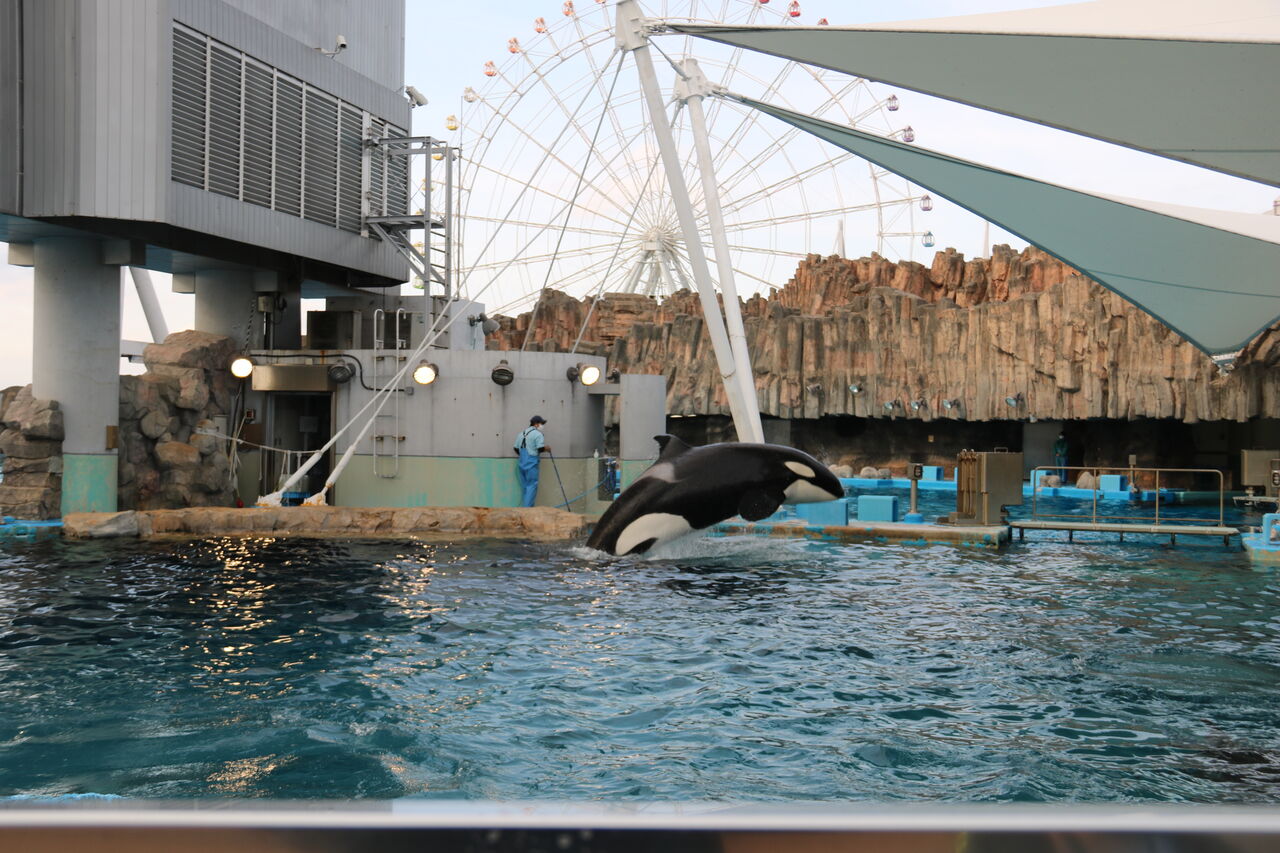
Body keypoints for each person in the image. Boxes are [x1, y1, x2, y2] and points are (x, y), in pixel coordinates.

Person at [513, 415, 550, 507]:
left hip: (522, 463)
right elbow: (540, 448)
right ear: (536, 424)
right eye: (541, 423)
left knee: (525, 487)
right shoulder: (538, 434)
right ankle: (528, 510)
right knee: (532, 486)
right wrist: (547, 448)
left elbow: (515, 448)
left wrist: (523, 456)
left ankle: (525, 509)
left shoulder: (521, 434)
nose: (542, 425)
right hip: (531, 463)